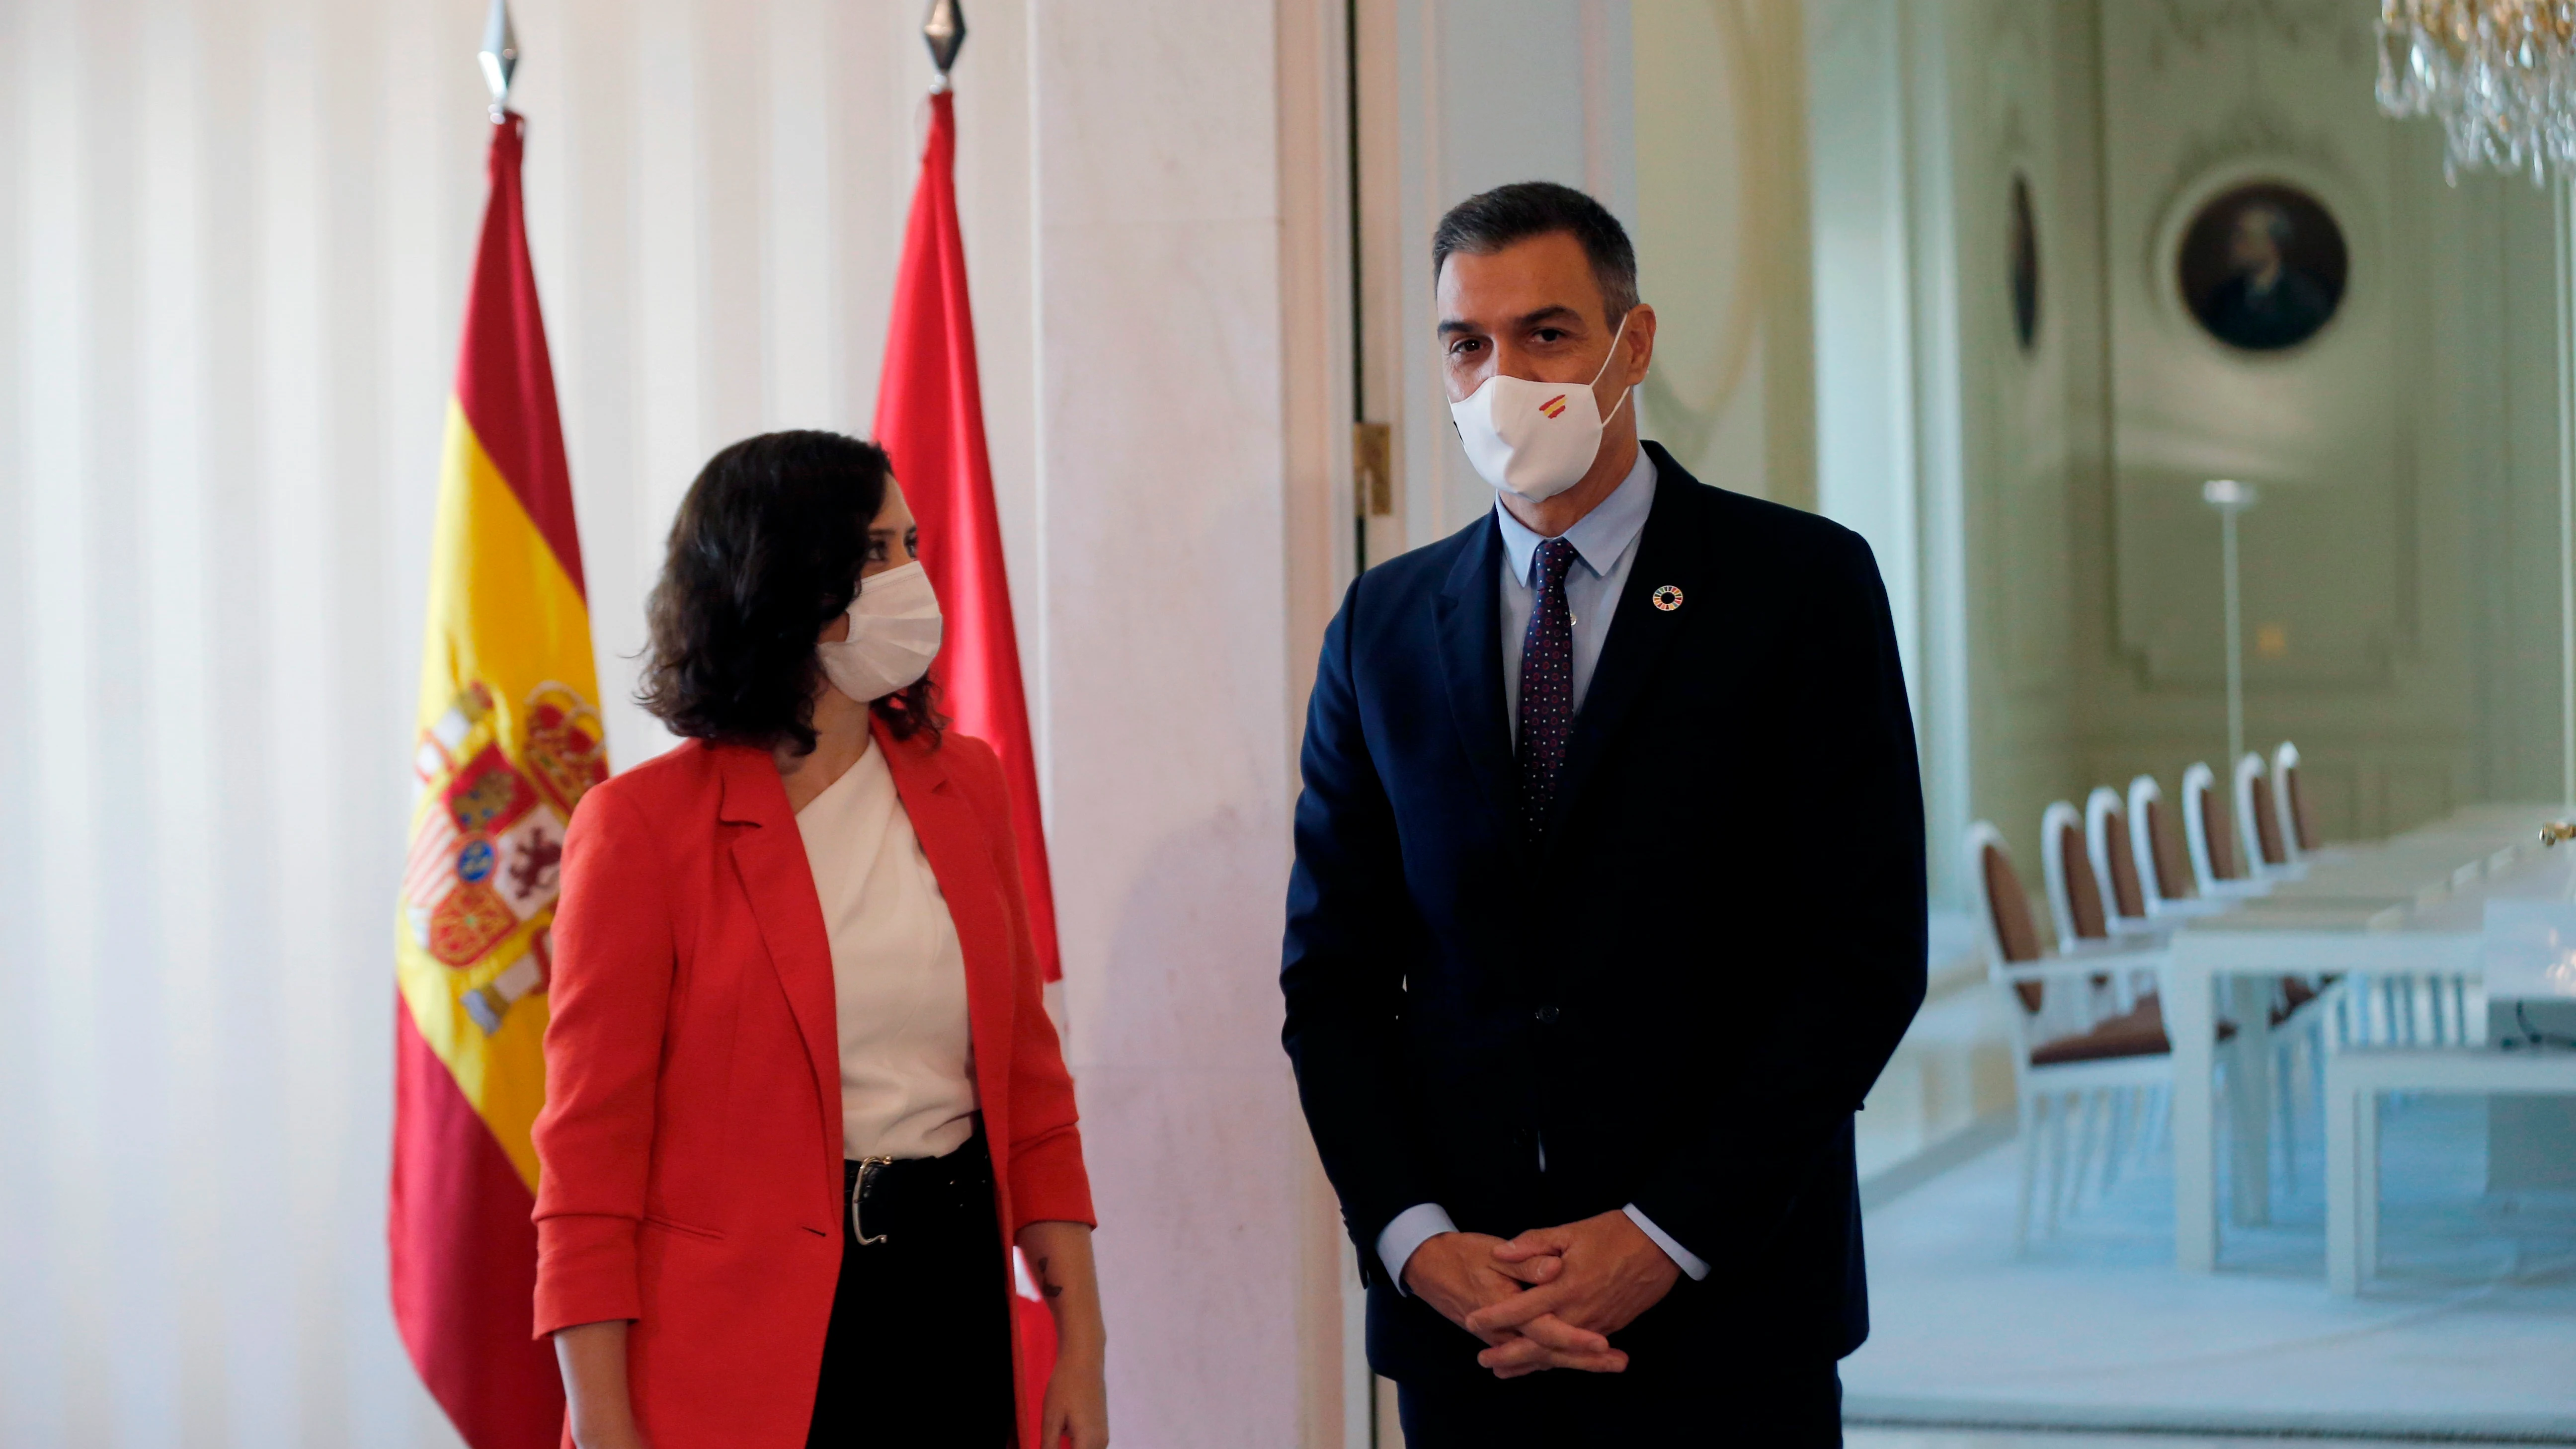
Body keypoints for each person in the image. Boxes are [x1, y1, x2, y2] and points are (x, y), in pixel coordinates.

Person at [1280, 181, 1926, 1446]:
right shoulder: (1382, 625)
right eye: (1468, 343)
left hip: (1726, 1307)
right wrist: (1417, 1245)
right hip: (1472, 1325)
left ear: (1632, 346)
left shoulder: (1801, 588)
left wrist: (1661, 1237)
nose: (1501, 376)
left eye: (1547, 334)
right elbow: (1335, 982)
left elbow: (1859, 959)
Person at [532, 430, 1109, 1449]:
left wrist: (1082, 1346)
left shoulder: (965, 784)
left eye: (913, 543)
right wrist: (604, 1426)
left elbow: (1032, 1090)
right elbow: (589, 1167)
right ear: (788, 579)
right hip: (741, 1349)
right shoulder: (641, 830)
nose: (913, 575)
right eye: (878, 550)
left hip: (951, 1300)